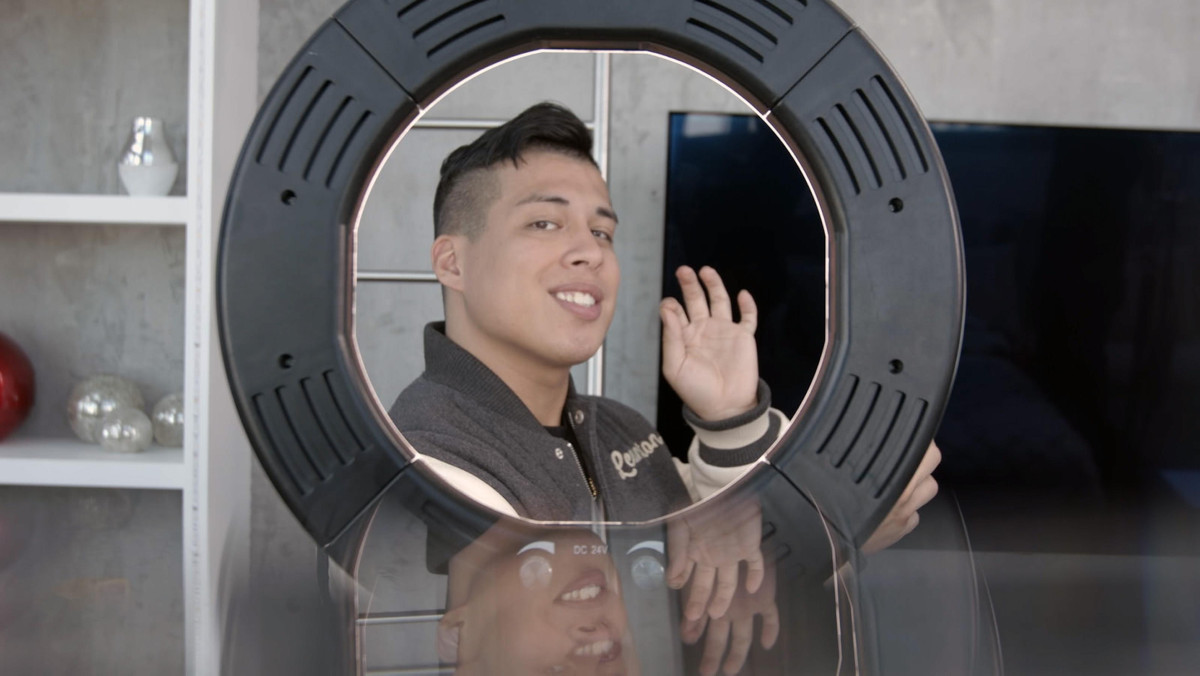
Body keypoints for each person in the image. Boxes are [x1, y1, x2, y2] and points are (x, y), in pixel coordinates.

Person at [387, 100, 938, 553]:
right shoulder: (424, 463)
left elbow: (729, 565)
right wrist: (836, 537)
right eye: (545, 223)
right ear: (453, 263)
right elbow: (573, 631)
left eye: (602, 233)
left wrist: (730, 419)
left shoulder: (624, 431)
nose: (589, 252)